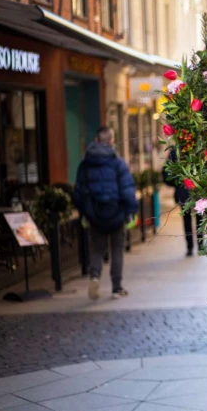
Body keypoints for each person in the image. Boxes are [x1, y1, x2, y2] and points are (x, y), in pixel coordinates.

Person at [74, 127, 138, 300]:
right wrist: (131, 210)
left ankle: (94, 276)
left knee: (96, 248)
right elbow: (127, 189)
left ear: (96, 140)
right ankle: (116, 287)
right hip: (116, 213)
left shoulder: (85, 164)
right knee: (117, 249)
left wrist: (84, 212)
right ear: (111, 141)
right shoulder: (117, 162)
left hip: (94, 214)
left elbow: (79, 191)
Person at [163, 148, 202, 257]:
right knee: (196, 217)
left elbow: (166, 173)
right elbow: (166, 172)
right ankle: (198, 245)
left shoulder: (176, 151)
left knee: (191, 218)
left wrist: (176, 183)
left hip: (187, 190)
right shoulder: (196, 148)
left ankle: (192, 246)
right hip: (193, 190)